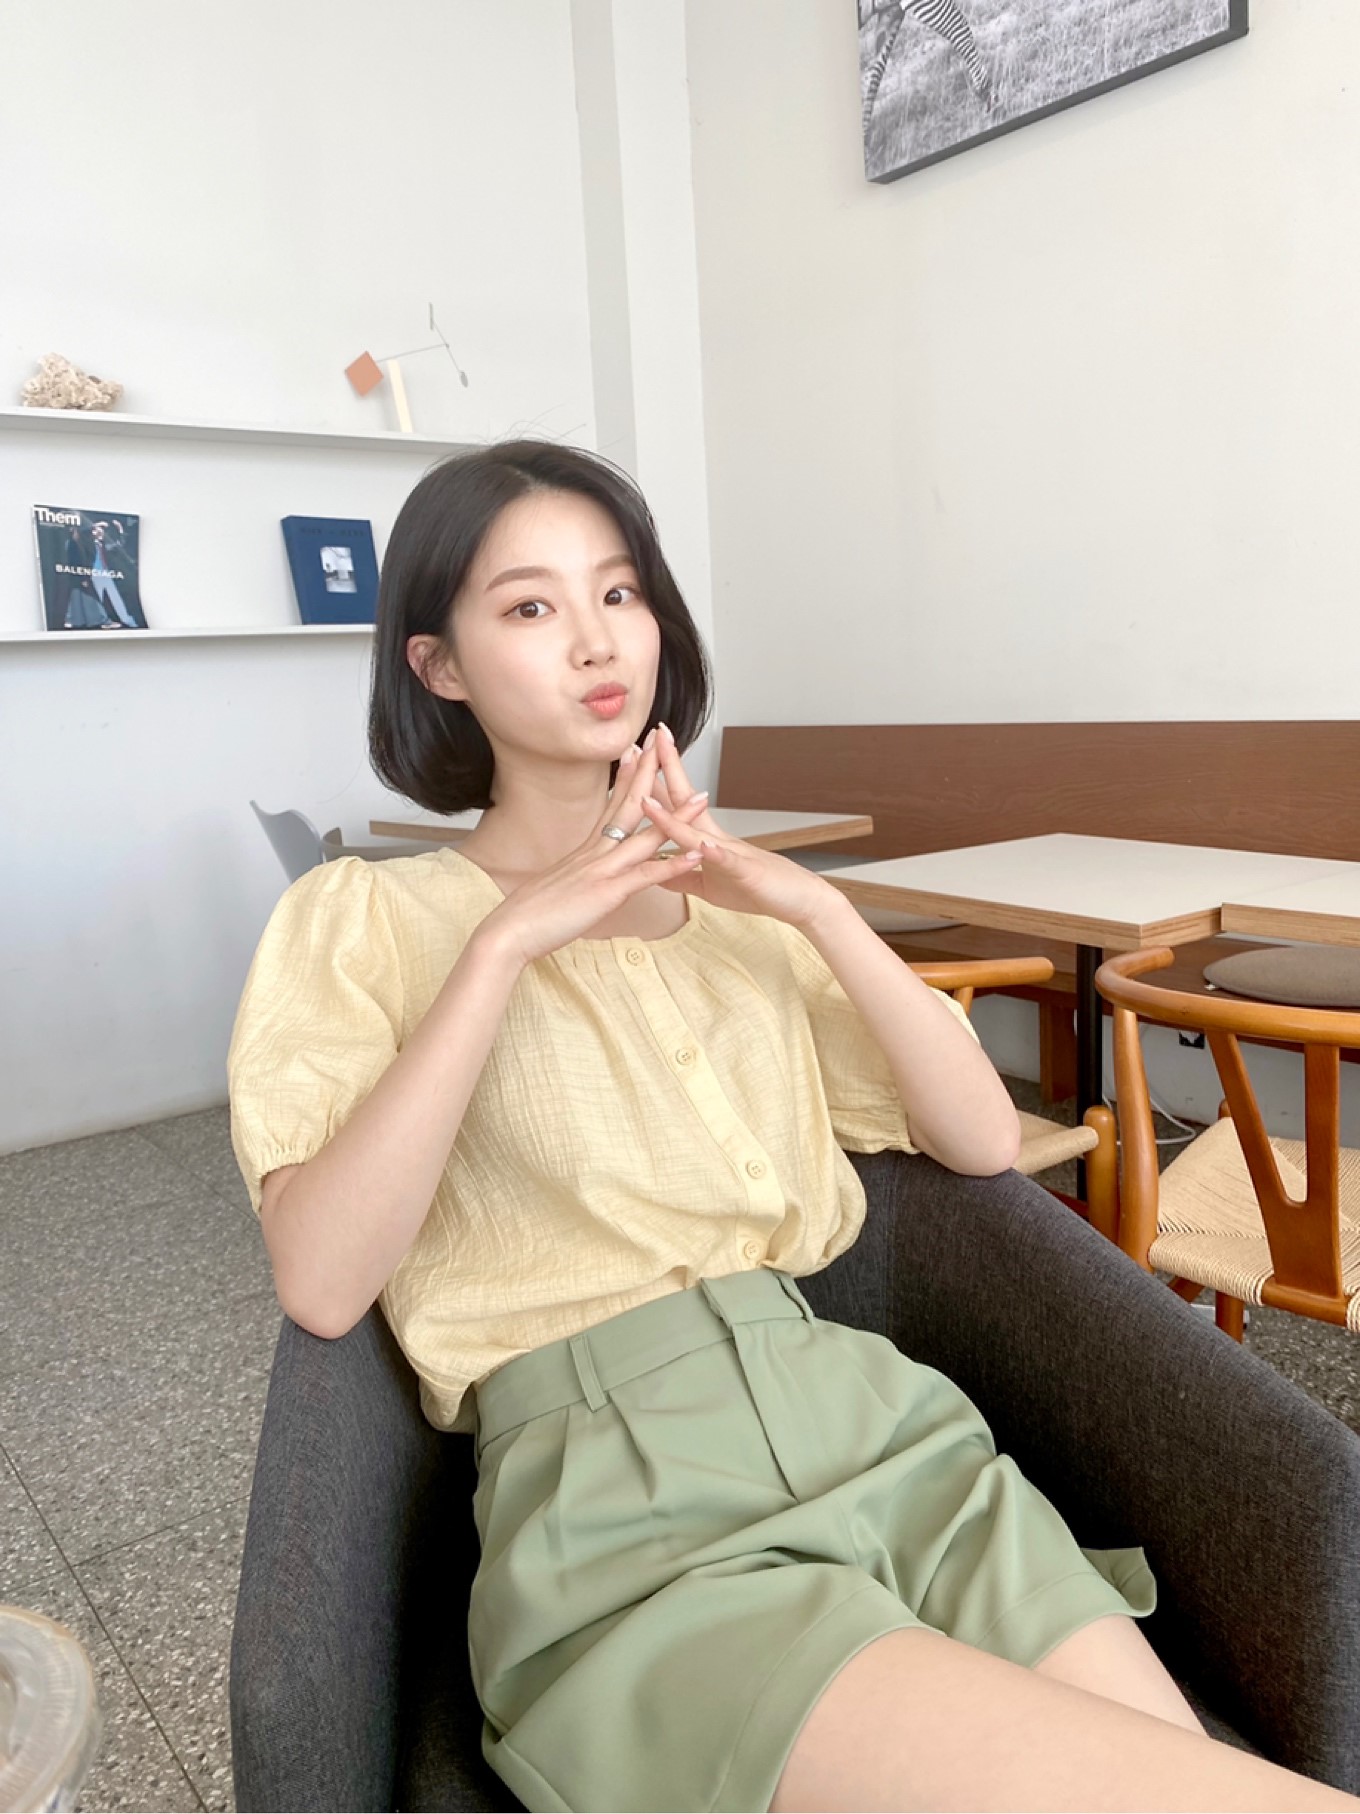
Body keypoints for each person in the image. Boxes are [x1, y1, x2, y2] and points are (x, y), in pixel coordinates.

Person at [227, 440, 1356, 1814]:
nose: (596, 639)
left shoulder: (745, 926)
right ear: (438, 665)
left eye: (620, 592)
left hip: (890, 1437)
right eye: (529, 606)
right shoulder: (363, 919)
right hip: (630, 1512)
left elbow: (982, 1140)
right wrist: (506, 945)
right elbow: (323, 1275)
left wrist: (814, 906)